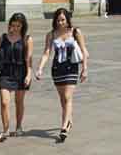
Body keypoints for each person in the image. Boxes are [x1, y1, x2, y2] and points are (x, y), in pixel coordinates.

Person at [35, 8, 88, 142]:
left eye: (63, 20)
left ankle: (64, 127)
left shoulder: (76, 32)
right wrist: (40, 68)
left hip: (72, 68)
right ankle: (69, 119)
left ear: (68, 19)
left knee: (67, 96)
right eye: (58, 20)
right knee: (63, 99)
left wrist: (84, 69)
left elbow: (83, 50)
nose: (60, 23)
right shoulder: (51, 34)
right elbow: (46, 53)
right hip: (57, 69)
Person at [0, 13, 33, 143]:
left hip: (21, 73)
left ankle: (18, 126)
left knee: (19, 102)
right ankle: (5, 130)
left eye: (18, 26)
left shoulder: (27, 39)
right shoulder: (3, 37)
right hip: (6, 73)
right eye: (13, 25)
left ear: (23, 26)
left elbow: (29, 59)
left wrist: (29, 74)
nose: (15, 28)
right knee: (4, 102)